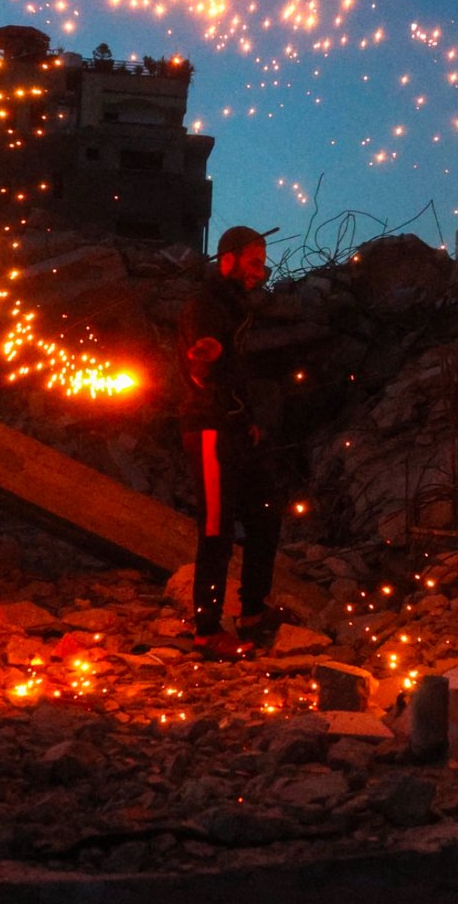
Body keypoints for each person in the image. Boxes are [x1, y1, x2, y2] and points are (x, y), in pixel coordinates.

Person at [179, 225, 293, 660]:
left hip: (235, 429)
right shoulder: (204, 307)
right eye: (252, 264)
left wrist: (249, 421)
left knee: (265, 516)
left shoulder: (235, 309)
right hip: (207, 429)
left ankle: (252, 614)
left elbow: (233, 372)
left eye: (262, 265)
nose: (259, 274)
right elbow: (205, 363)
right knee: (216, 530)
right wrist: (203, 360)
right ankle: (207, 631)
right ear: (227, 260)